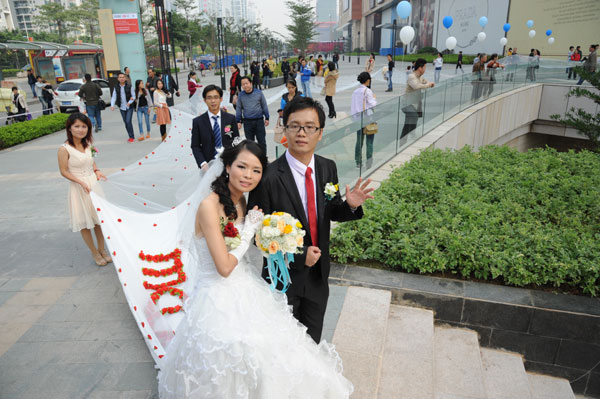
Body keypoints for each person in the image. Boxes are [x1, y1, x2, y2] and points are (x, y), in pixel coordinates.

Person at [158, 139, 354, 397]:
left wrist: (281, 240)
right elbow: (224, 267)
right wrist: (250, 229)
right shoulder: (209, 206)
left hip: (245, 284)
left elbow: (251, 246)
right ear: (227, 166)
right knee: (234, 355)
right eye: (242, 167)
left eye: (256, 170)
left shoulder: (239, 201)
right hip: (217, 294)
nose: (248, 176)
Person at [248, 96, 374, 344]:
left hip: (318, 277)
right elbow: (256, 234)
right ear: (285, 129)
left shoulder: (328, 168)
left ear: (320, 133)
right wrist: (297, 254)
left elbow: (330, 210)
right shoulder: (268, 177)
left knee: (312, 344)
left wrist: (349, 205)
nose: (301, 133)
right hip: (282, 279)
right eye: (294, 125)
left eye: (309, 127)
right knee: (281, 346)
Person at [57, 113, 110, 266]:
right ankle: (95, 253)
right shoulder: (64, 149)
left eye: (84, 126)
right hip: (79, 187)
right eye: (77, 126)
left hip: (93, 185)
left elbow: (91, 161)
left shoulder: (88, 145)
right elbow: (64, 171)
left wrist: (97, 170)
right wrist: (80, 182)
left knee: (98, 220)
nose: (81, 130)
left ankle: (102, 250)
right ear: (69, 128)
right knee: (85, 223)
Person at [191, 84, 240, 170]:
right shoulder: (198, 122)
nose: (213, 101)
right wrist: (202, 163)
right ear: (204, 100)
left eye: (216, 97)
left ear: (221, 99)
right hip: (208, 166)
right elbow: (195, 146)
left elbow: (236, 141)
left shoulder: (230, 119)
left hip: (228, 164)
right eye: (209, 98)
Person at [402, 58, 434, 139]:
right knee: (414, 116)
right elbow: (416, 86)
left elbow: (425, 82)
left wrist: (429, 83)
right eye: (425, 67)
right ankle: (410, 136)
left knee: (408, 122)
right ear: (420, 68)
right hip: (407, 104)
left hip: (414, 104)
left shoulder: (420, 77)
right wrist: (428, 85)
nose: (425, 69)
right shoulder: (411, 76)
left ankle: (404, 140)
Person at [236, 76, 269, 154]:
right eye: (243, 84)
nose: (245, 86)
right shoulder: (241, 95)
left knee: (262, 142)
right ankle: (252, 161)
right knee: (250, 144)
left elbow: (264, 105)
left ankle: (263, 159)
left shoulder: (259, 93)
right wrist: (238, 121)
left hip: (259, 121)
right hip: (247, 122)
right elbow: (239, 108)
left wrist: (267, 117)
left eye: (246, 83)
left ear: (251, 83)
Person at [351, 72, 377, 169]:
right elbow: (372, 104)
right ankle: (369, 163)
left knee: (359, 141)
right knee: (369, 142)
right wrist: (374, 98)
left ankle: (358, 162)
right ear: (368, 80)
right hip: (368, 118)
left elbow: (353, 107)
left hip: (358, 119)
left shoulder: (355, 91)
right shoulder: (368, 91)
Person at [110, 72, 136, 143]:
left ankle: (131, 137)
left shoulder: (129, 86)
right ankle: (130, 135)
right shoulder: (116, 87)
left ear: (125, 78)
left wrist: (129, 102)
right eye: (120, 77)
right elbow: (114, 96)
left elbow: (133, 96)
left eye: (123, 77)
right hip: (121, 107)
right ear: (118, 79)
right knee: (126, 123)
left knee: (128, 121)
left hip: (129, 107)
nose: (121, 78)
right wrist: (112, 105)